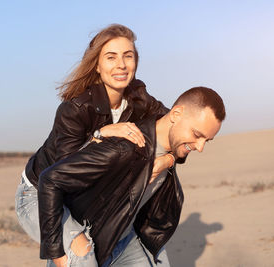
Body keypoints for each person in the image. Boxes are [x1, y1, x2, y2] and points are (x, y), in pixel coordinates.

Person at [15, 24, 172, 265]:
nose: (121, 64)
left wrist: (168, 160)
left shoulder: (139, 99)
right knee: (82, 255)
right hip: (40, 193)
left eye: (128, 56)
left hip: (93, 197)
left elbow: (177, 128)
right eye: (111, 57)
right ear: (97, 65)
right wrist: (100, 134)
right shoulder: (75, 109)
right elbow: (63, 176)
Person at [38, 86, 226, 267]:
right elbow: (49, 180)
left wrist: (168, 160)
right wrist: (56, 253)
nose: (200, 147)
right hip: (91, 245)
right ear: (176, 114)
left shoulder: (171, 143)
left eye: (206, 140)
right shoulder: (124, 147)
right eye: (196, 135)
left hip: (127, 240)